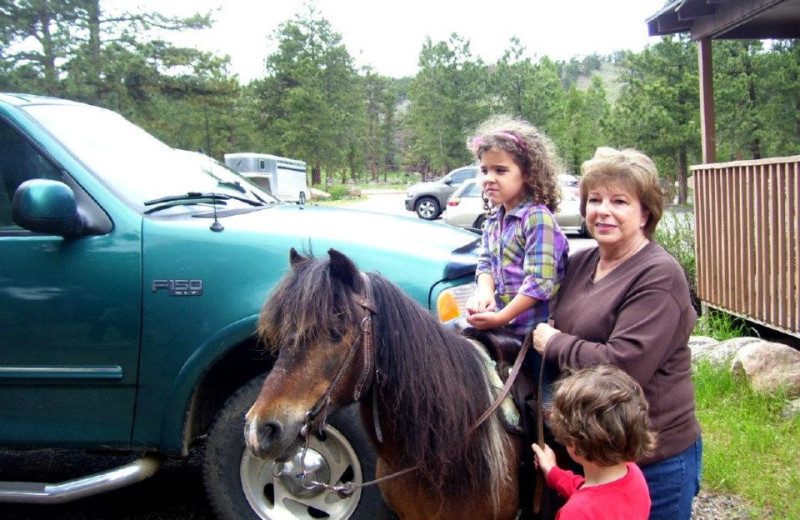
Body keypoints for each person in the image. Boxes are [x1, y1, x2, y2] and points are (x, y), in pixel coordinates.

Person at [533, 147, 702, 520]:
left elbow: (624, 367)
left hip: (652, 458)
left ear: (645, 213)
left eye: (620, 201)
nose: (603, 210)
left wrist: (555, 342)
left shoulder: (658, 275)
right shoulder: (581, 262)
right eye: (595, 199)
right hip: (592, 452)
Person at [465, 115, 569, 338]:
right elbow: (485, 263)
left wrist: (501, 317)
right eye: (484, 170)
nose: (489, 178)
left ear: (529, 174)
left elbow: (539, 283)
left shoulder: (537, 218)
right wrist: (485, 295)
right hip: (504, 328)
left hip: (532, 334)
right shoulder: (494, 220)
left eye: (500, 170)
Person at [532, 365, 656, 520]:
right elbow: (596, 496)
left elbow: (588, 504)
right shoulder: (634, 475)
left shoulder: (574, 514)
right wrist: (553, 472)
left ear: (574, 445)